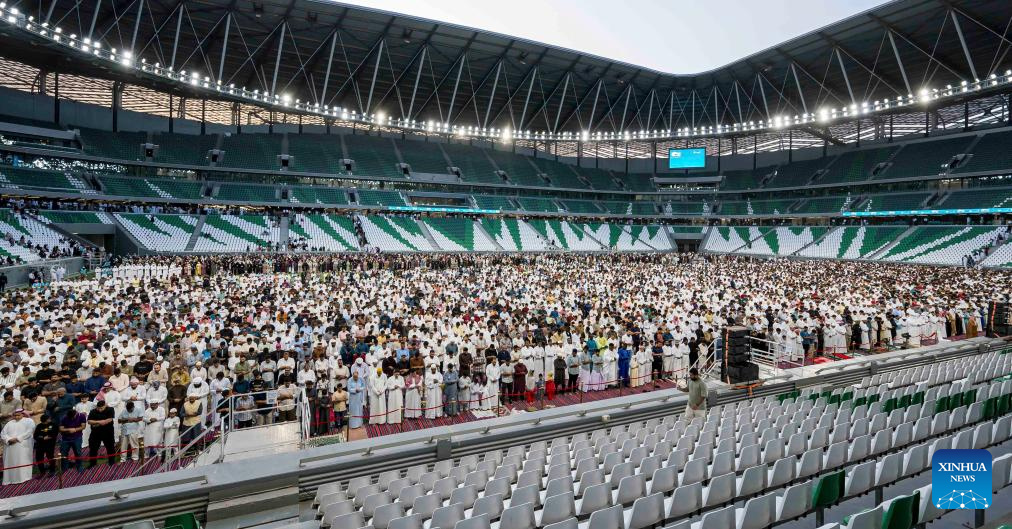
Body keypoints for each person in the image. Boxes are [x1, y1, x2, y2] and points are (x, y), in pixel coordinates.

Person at [2, 409, 34, 484]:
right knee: (10, 463)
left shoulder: (29, 421)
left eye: (18, 415)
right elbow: (3, 434)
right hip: (10, 446)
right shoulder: (9, 423)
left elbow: (29, 431)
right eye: (15, 415)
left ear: (23, 414)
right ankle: (9, 480)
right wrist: (8, 440)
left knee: (22, 461)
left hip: (22, 446)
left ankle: (24, 478)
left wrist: (17, 439)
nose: (16, 417)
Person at [87, 399, 116, 467]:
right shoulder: (93, 411)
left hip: (108, 432)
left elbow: (109, 419)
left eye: (101, 408)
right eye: (98, 408)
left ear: (105, 405)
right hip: (95, 433)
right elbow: (89, 421)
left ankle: (111, 461)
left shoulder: (110, 409)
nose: (100, 410)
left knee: (110, 447)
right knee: (93, 448)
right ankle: (92, 463)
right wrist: (99, 422)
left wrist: (96, 424)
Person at [59, 407, 87, 472]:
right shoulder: (64, 417)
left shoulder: (82, 416)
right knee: (63, 453)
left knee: (78, 453)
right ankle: (64, 467)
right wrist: (69, 429)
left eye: (73, 417)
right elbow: (61, 429)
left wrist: (75, 429)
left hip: (77, 437)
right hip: (65, 438)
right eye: (70, 417)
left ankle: (79, 467)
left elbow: (83, 426)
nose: (71, 418)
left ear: (76, 414)